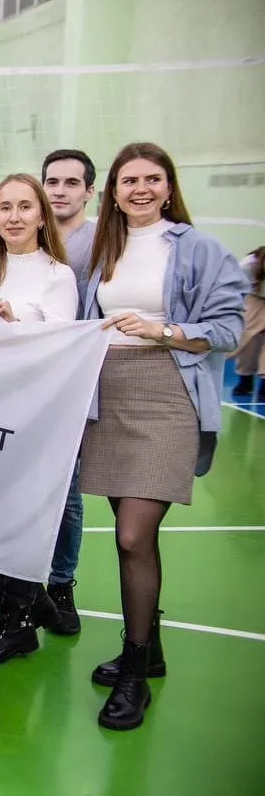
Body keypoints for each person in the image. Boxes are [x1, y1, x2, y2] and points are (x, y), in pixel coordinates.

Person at [80, 142, 249, 730]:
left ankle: (133, 672)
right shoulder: (100, 247)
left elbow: (228, 331)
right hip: (107, 396)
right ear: (114, 191)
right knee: (134, 537)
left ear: (169, 187)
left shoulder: (199, 248)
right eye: (129, 180)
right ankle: (149, 649)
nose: (141, 189)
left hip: (167, 394)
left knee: (131, 536)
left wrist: (164, 330)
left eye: (152, 179)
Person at [0, 174, 80, 662]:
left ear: (41, 216)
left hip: (36, 409)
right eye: (4, 207)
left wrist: (15, 316)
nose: (14, 216)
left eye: (24, 206)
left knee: (29, 506)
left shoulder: (57, 275)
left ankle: (20, 620)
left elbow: (64, 338)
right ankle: (29, 597)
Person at [41, 149, 98, 287]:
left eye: (72, 183)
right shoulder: (28, 237)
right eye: (52, 182)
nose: (59, 192)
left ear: (89, 192)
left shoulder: (103, 240)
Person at [229, 247, 265, 397]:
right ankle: (245, 379)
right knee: (248, 341)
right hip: (254, 298)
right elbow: (232, 285)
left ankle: (264, 384)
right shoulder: (248, 264)